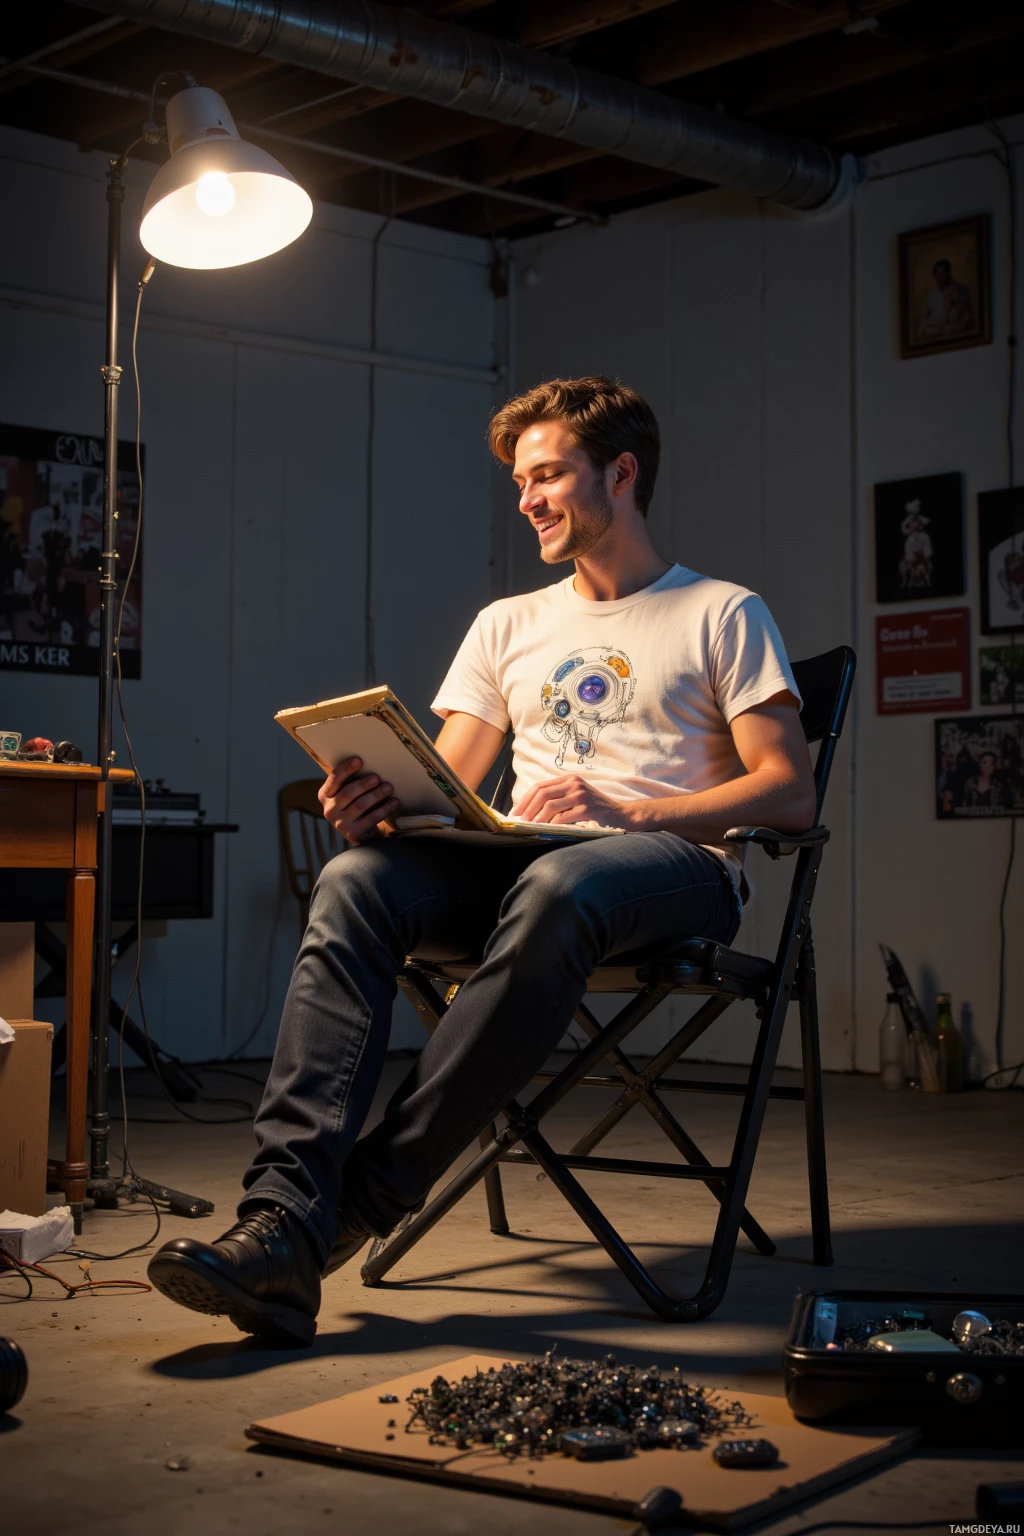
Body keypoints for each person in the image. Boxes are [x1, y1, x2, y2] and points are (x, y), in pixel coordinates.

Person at [147, 376, 817, 1344]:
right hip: (529, 872)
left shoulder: (720, 612)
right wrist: (374, 808)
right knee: (355, 882)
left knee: (564, 879)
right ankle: (283, 1220)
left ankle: (357, 1207)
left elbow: (788, 790)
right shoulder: (508, 623)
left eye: (546, 475)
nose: (526, 499)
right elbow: (446, 788)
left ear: (621, 473)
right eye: (518, 481)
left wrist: (626, 804)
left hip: (675, 869)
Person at [918, 258, 974, 342]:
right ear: (935, 276)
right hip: (934, 331)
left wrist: (956, 328)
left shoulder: (959, 291)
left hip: (952, 331)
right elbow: (924, 316)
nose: (942, 276)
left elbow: (966, 315)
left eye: (944, 272)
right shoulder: (932, 296)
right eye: (939, 273)